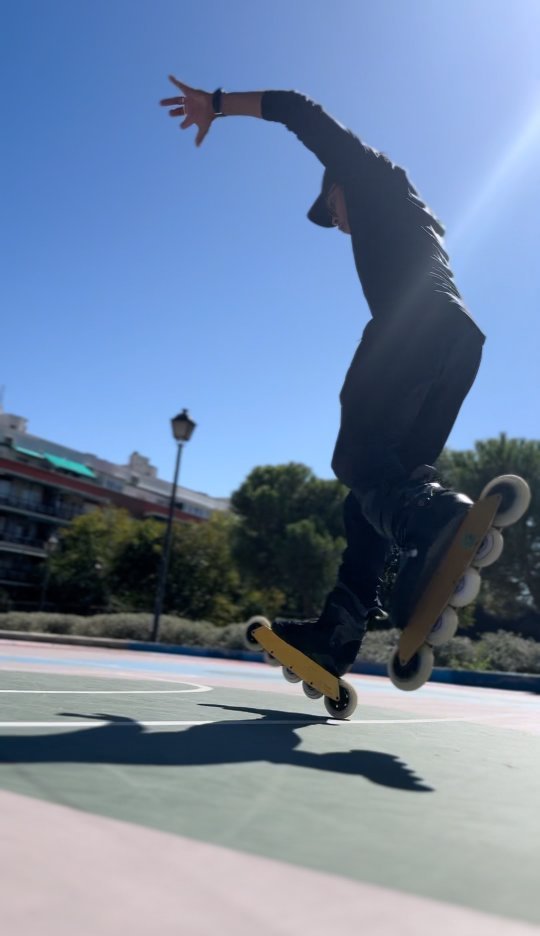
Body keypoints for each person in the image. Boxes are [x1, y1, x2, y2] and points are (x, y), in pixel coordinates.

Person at [160, 79, 485, 677]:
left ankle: (433, 521)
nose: (336, 224)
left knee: (357, 457)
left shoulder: (368, 174)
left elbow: (295, 109)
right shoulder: (413, 221)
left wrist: (217, 103)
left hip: (413, 326)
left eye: (330, 210)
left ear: (340, 186)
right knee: (373, 493)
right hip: (457, 345)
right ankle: (339, 630)